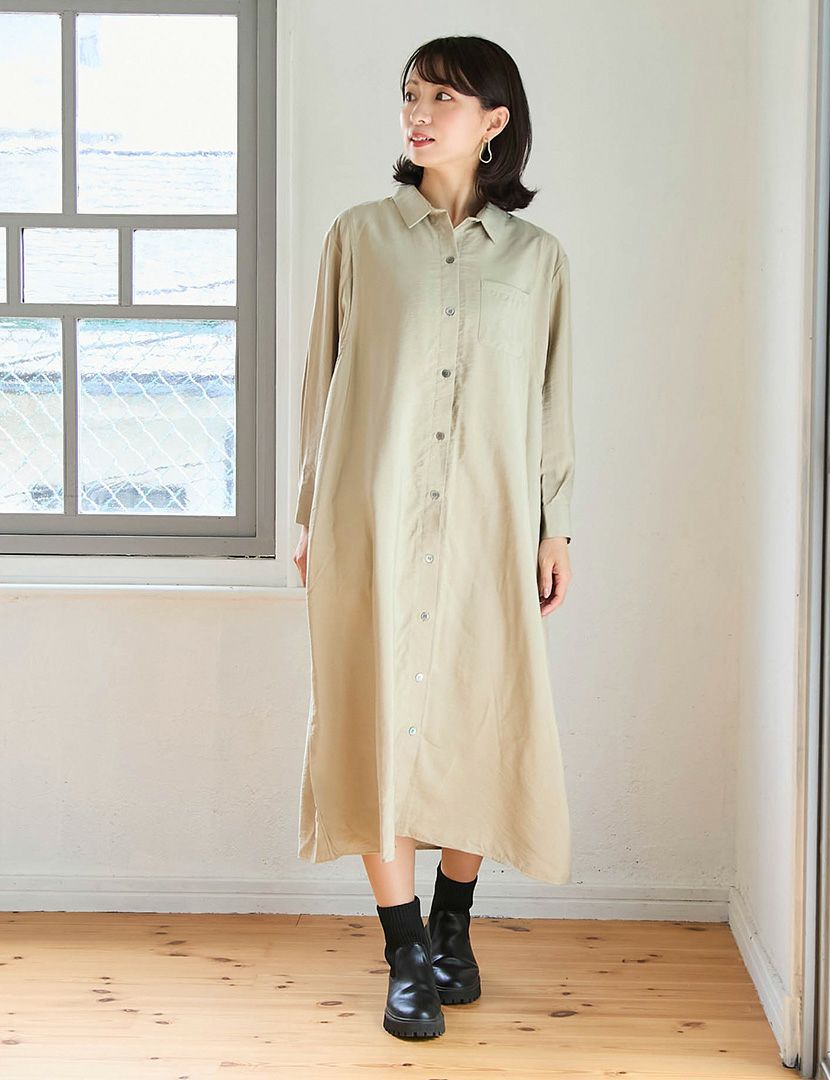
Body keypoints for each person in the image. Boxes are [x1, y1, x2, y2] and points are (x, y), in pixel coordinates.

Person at [292, 35, 576, 1040]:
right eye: (411, 95)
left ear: (493, 121)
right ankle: (405, 949)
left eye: (443, 98)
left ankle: (454, 920)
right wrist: (309, 512)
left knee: (481, 718)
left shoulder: (537, 260)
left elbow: (551, 401)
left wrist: (555, 526)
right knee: (375, 717)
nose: (418, 113)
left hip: (492, 524)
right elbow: (321, 385)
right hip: (371, 519)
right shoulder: (359, 237)